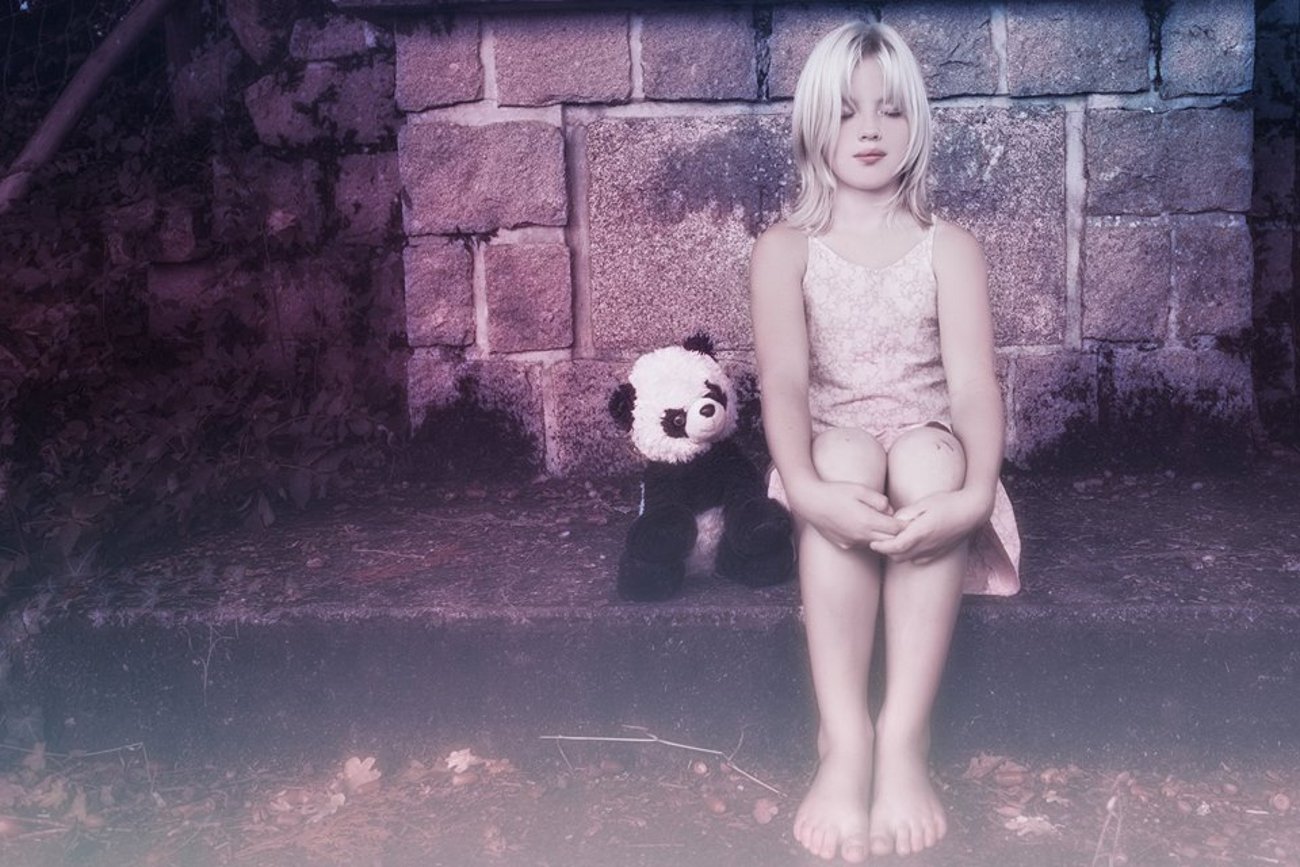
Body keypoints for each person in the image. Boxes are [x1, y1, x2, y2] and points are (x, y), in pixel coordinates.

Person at [749, 21, 1022, 863]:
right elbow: (785, 383)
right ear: (811, 126)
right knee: (845, 457)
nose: (868, 130)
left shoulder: (951, 249)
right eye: (845, 111)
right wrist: (803, 483)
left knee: (929, 458)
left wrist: (976, 494)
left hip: (929, 448)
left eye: (891, 111)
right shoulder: (785, 248)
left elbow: (976, 386)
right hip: (829, 456)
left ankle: (903, 737)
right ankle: (846, 738)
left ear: (919, 127)